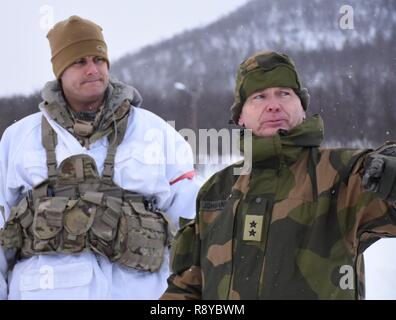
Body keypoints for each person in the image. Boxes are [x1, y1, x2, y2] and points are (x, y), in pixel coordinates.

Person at [161, 50, 396, 300]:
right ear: (240, 117)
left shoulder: (344, 173)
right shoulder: (216, 189)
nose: (273, 104)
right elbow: (186, 287)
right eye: (259, 97)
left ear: (302, 108)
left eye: (284, 93)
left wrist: (389, 169)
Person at [0, 15, 200, 300]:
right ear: (60, 71)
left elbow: (191, 224)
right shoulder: (18, 139)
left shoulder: (156, 132)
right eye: (80, 61)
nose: (93, 69)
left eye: (99, 59)